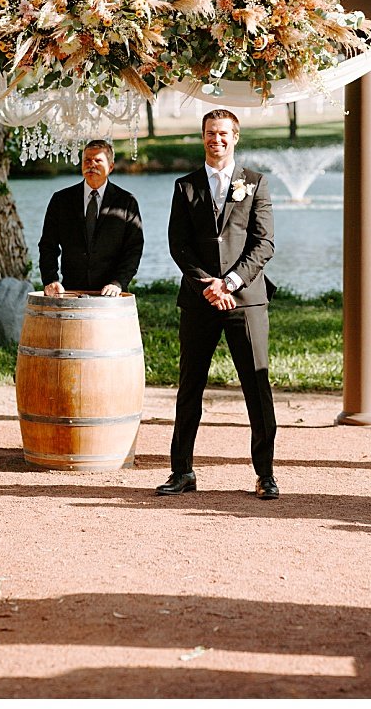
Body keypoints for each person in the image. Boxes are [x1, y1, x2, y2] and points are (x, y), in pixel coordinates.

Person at [157, 109, 279, 500]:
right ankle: (182, 471)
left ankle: (265, 474)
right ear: (203, 137)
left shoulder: (255, 183)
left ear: (235, 137)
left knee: (256, 388)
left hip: (246, 300)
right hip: (199, 300)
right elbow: (178, 244)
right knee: (190, 387)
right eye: (211, 133)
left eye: (223, 133)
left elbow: (264, 244)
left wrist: (229, 282)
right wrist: (207, 285)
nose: (217, 140)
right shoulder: (185, 186)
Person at [37, 139, 144, 297]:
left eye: (98, 160)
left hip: (111, 293)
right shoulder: (61, 200)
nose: (91, 164)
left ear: (111, 166)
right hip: (70, 291)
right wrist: (50, 279)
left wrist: (118, 282)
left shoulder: (126, 202)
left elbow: (133, 249)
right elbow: (48, 245)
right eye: (87, 160)